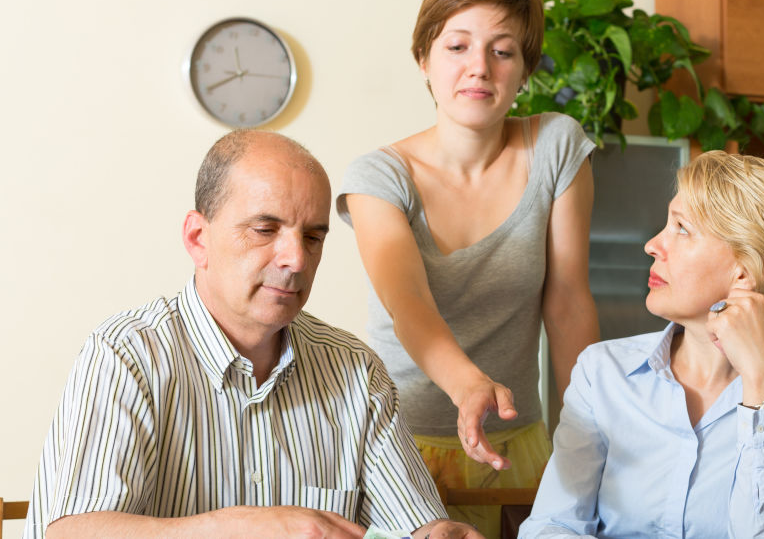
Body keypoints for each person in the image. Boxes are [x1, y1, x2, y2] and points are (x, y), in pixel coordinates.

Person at [24, 130, 481, 539]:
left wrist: (439, 534)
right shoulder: (126, 355)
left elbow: (413, 524)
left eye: (313, 237)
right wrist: (236, 526)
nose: (296, 260)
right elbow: (73, 531)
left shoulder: (356, 369)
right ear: (198, 238)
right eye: (266, 229)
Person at [336, 0, 600, 537]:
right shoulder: (378, 177)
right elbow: (409, 307)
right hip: (397, 446)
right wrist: (468, 388)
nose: (478, 68)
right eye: (457, 46)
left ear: (525, 70)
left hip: (518, 439)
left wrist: (588, 434)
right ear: (424, 60)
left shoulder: (556, 147)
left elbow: (568, 301)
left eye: (503, 52)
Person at [519, 151, 764, 538]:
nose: (652, 244)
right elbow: (553, 525)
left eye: (681, 228)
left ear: (746, 268)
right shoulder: (602, 371)